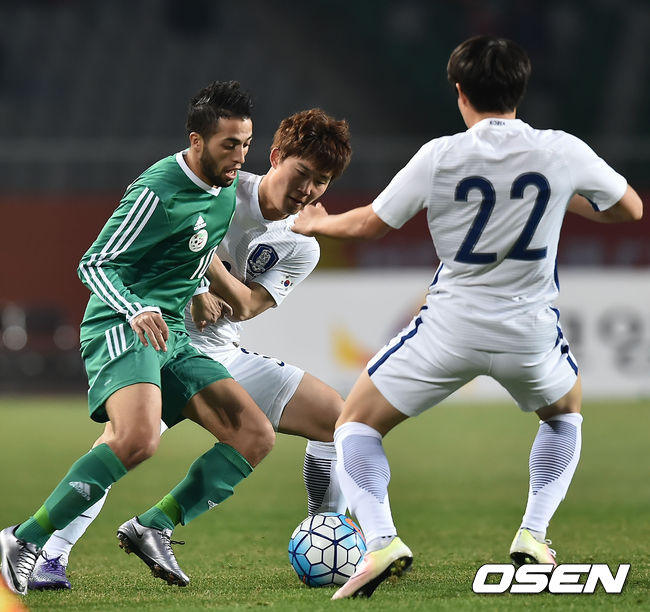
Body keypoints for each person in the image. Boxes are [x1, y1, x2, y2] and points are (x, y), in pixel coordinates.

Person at [291, 35, 643, 600]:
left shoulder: (440, 155)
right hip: (528, 329)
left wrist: (316, 224)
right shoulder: (561, 150)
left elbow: (370, 224)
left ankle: (381, 542)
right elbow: (629, 208)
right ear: (521, 89)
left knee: (355, 424)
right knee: (564, 416)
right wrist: (560, 195)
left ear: (460, 92)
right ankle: (533, 534)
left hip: (450, 327)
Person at [27, 109, 353, 591]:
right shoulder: (221, 187)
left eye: (321, 182)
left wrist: (203, 265)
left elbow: (245, 306)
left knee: (337, 419)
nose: (307, 189)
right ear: (275, 157)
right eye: (301, 173)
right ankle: (49, 554)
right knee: (124, 443)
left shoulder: (302, 245)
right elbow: (159, 237)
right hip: (161, 342)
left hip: (222, 354)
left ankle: (326, 532)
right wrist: (197, 276)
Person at [0, 80, 277, 596]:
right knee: (137, 439)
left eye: (246, 143)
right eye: (229, 145)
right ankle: (22, 540)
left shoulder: (222, 189)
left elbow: (188, 250)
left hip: (171, 331)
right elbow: (94, 263)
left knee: (253, 434)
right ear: (197, 141)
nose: (240, 156)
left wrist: (198, 290)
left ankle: (154, 526)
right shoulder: (156, 192)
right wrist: (137, 307)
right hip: (120, 323)